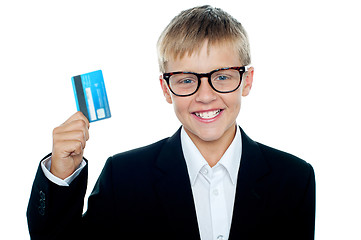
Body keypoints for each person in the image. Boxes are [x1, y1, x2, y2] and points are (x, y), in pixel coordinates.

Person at [27, 5, 315, 240]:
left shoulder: (293, 178)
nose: (205, 96)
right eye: (187, 80)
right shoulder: (124, 177)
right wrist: (61, 175)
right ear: (166, 89)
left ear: (247, 81)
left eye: (223, 77)